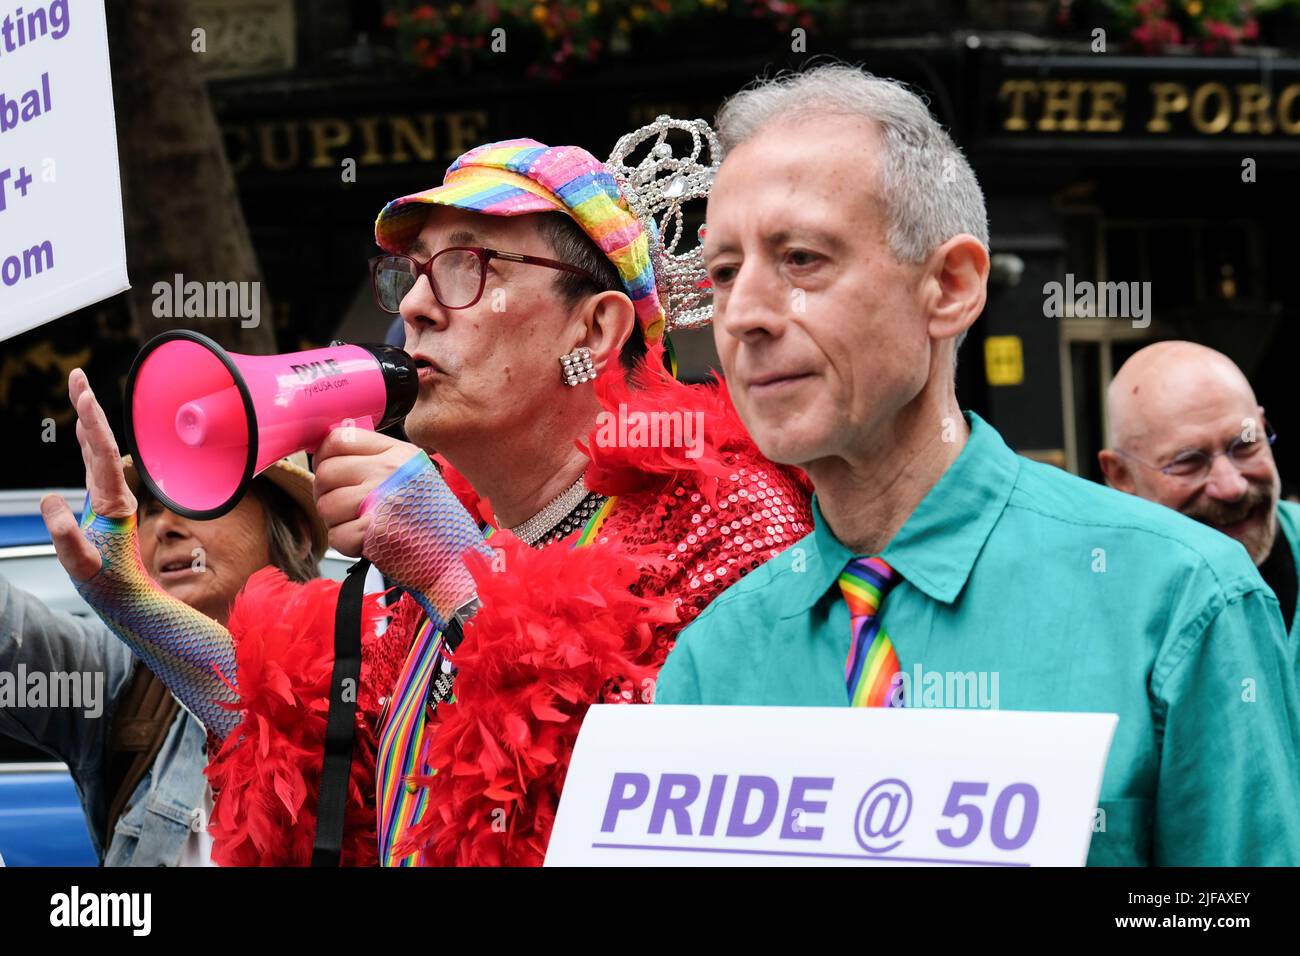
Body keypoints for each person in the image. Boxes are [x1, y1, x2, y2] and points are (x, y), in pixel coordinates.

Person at [47, 117, 814, 866]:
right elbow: (322, 777)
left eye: (467, 266)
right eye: (412, 272)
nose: (413, 306)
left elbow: (648, 814)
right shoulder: (443, 548)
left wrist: (457, 572)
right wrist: (137, 605)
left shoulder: (732, 518)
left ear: (594, 329)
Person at [652, 64, 1300, 865]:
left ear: (951, 287)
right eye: (722, 273)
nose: (743, 313)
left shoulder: (1178, 597)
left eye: (801, 259)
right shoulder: (713, 662)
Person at [8, 445, 326, 865]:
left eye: (202, 497)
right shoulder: (121, 678)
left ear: (297, 534)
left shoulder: (371, 685)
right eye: (152, 509)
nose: (165, 528)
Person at [1099, 341, 1299, 659]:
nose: (1231, 487)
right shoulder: (1097, 606)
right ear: (1121, 475)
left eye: (1246, 445)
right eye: (1189, 461)